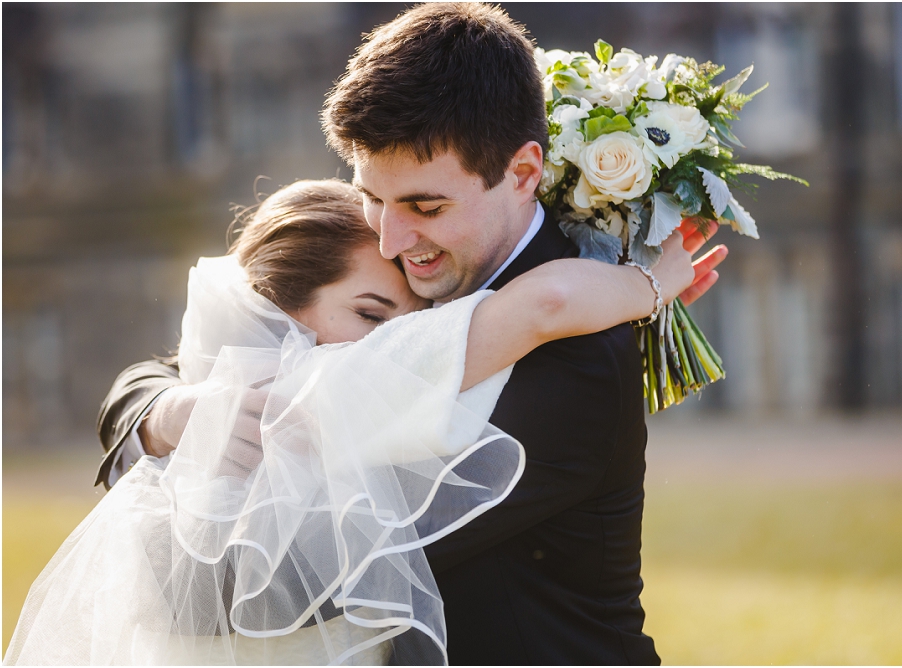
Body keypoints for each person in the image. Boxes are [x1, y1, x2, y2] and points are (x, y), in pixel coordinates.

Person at [93, 4, 728, 664]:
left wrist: (143, 569)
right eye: (372, 196)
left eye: (426, 206)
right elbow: (195, 360)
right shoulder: (401, 262)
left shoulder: (576, 358)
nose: (391, 239)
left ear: (523, 173)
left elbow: (307, 580)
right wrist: (166, 417)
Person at [8, 177, 708, 665]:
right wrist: (166, 416)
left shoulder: (407, 386)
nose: (391, 350)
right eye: (370, 315)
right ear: (272, 306)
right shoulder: (252, 392)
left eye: (411, 327)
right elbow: (145, 390)